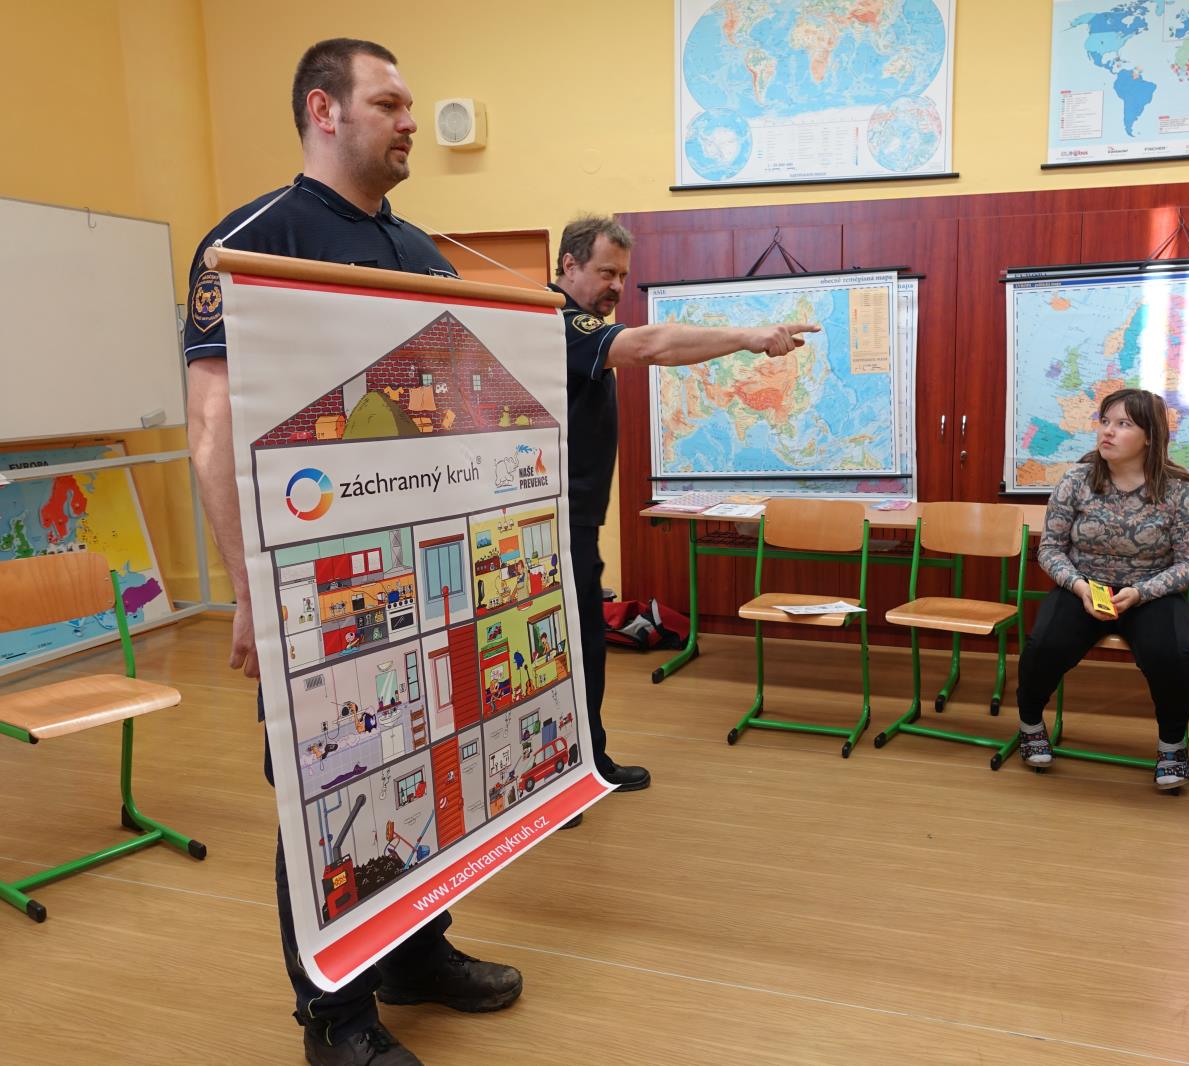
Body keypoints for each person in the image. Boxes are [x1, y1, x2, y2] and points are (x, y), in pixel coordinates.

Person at [185, 39, 518, 1066]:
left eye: (410, 104)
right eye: (390, 103)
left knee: (426, 766)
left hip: (428, 571)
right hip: (309, 584)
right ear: (324, 111)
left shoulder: (421, 253)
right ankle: (334, 1018)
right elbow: (211, 428)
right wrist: (248, 591)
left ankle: (417, 952)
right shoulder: (253, 241)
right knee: (329, 798)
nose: (410, 120)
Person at [547, 215, 818, 823]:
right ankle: (561, 778)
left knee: (585, 645)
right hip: (552, 520)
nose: (617, 286)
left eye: (623, 275)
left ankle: (585, 764)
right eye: (605, 272)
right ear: (568, 265)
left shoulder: (584, 326)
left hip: (576, 517)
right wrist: (748, 338)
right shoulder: (556, 319)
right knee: (562, 652)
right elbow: (653, 347)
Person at [1014, 388, 1189, 788]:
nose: (1108, 432)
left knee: (1171, 655)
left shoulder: (1179, 491)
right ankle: (1029, 725)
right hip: (1084, 587)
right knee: (1043, 646)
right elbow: (1049, 549)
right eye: (1105, 422)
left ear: (1150, 436)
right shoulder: (1076, 480)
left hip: (1149, 592)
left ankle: (1172, 746)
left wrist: (1142, 592)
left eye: (1123, 424)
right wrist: (1078, 586)